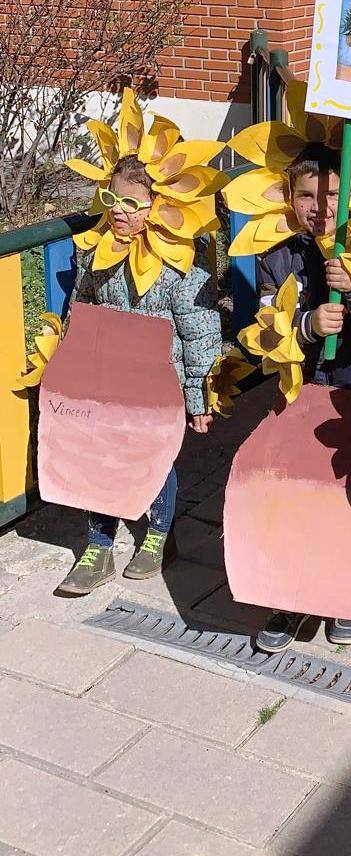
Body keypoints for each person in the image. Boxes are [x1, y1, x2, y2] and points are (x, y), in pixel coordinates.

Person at [57, 155, 221, 595]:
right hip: (108, 377)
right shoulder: (100, 251)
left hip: (159, 382)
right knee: (99, 458)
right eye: (112, 199)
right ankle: (99, 544)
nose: (119, 210)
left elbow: (200, 331)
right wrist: (72, 361)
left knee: (155, 459)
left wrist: (198, 395)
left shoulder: (183, 264)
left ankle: (158, 535)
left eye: (132, 202)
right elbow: (83, 303)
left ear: (161, 205)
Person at [252, 142, 351, 653]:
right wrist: (307, 324)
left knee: (350, 492)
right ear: (290, 197)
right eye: (307, 195)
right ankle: (290, 593)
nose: (321, 208)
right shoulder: (275, 252)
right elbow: (267, 323)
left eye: (332, 195)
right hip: (300, 388)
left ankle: (349, 591)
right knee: (296, 487)